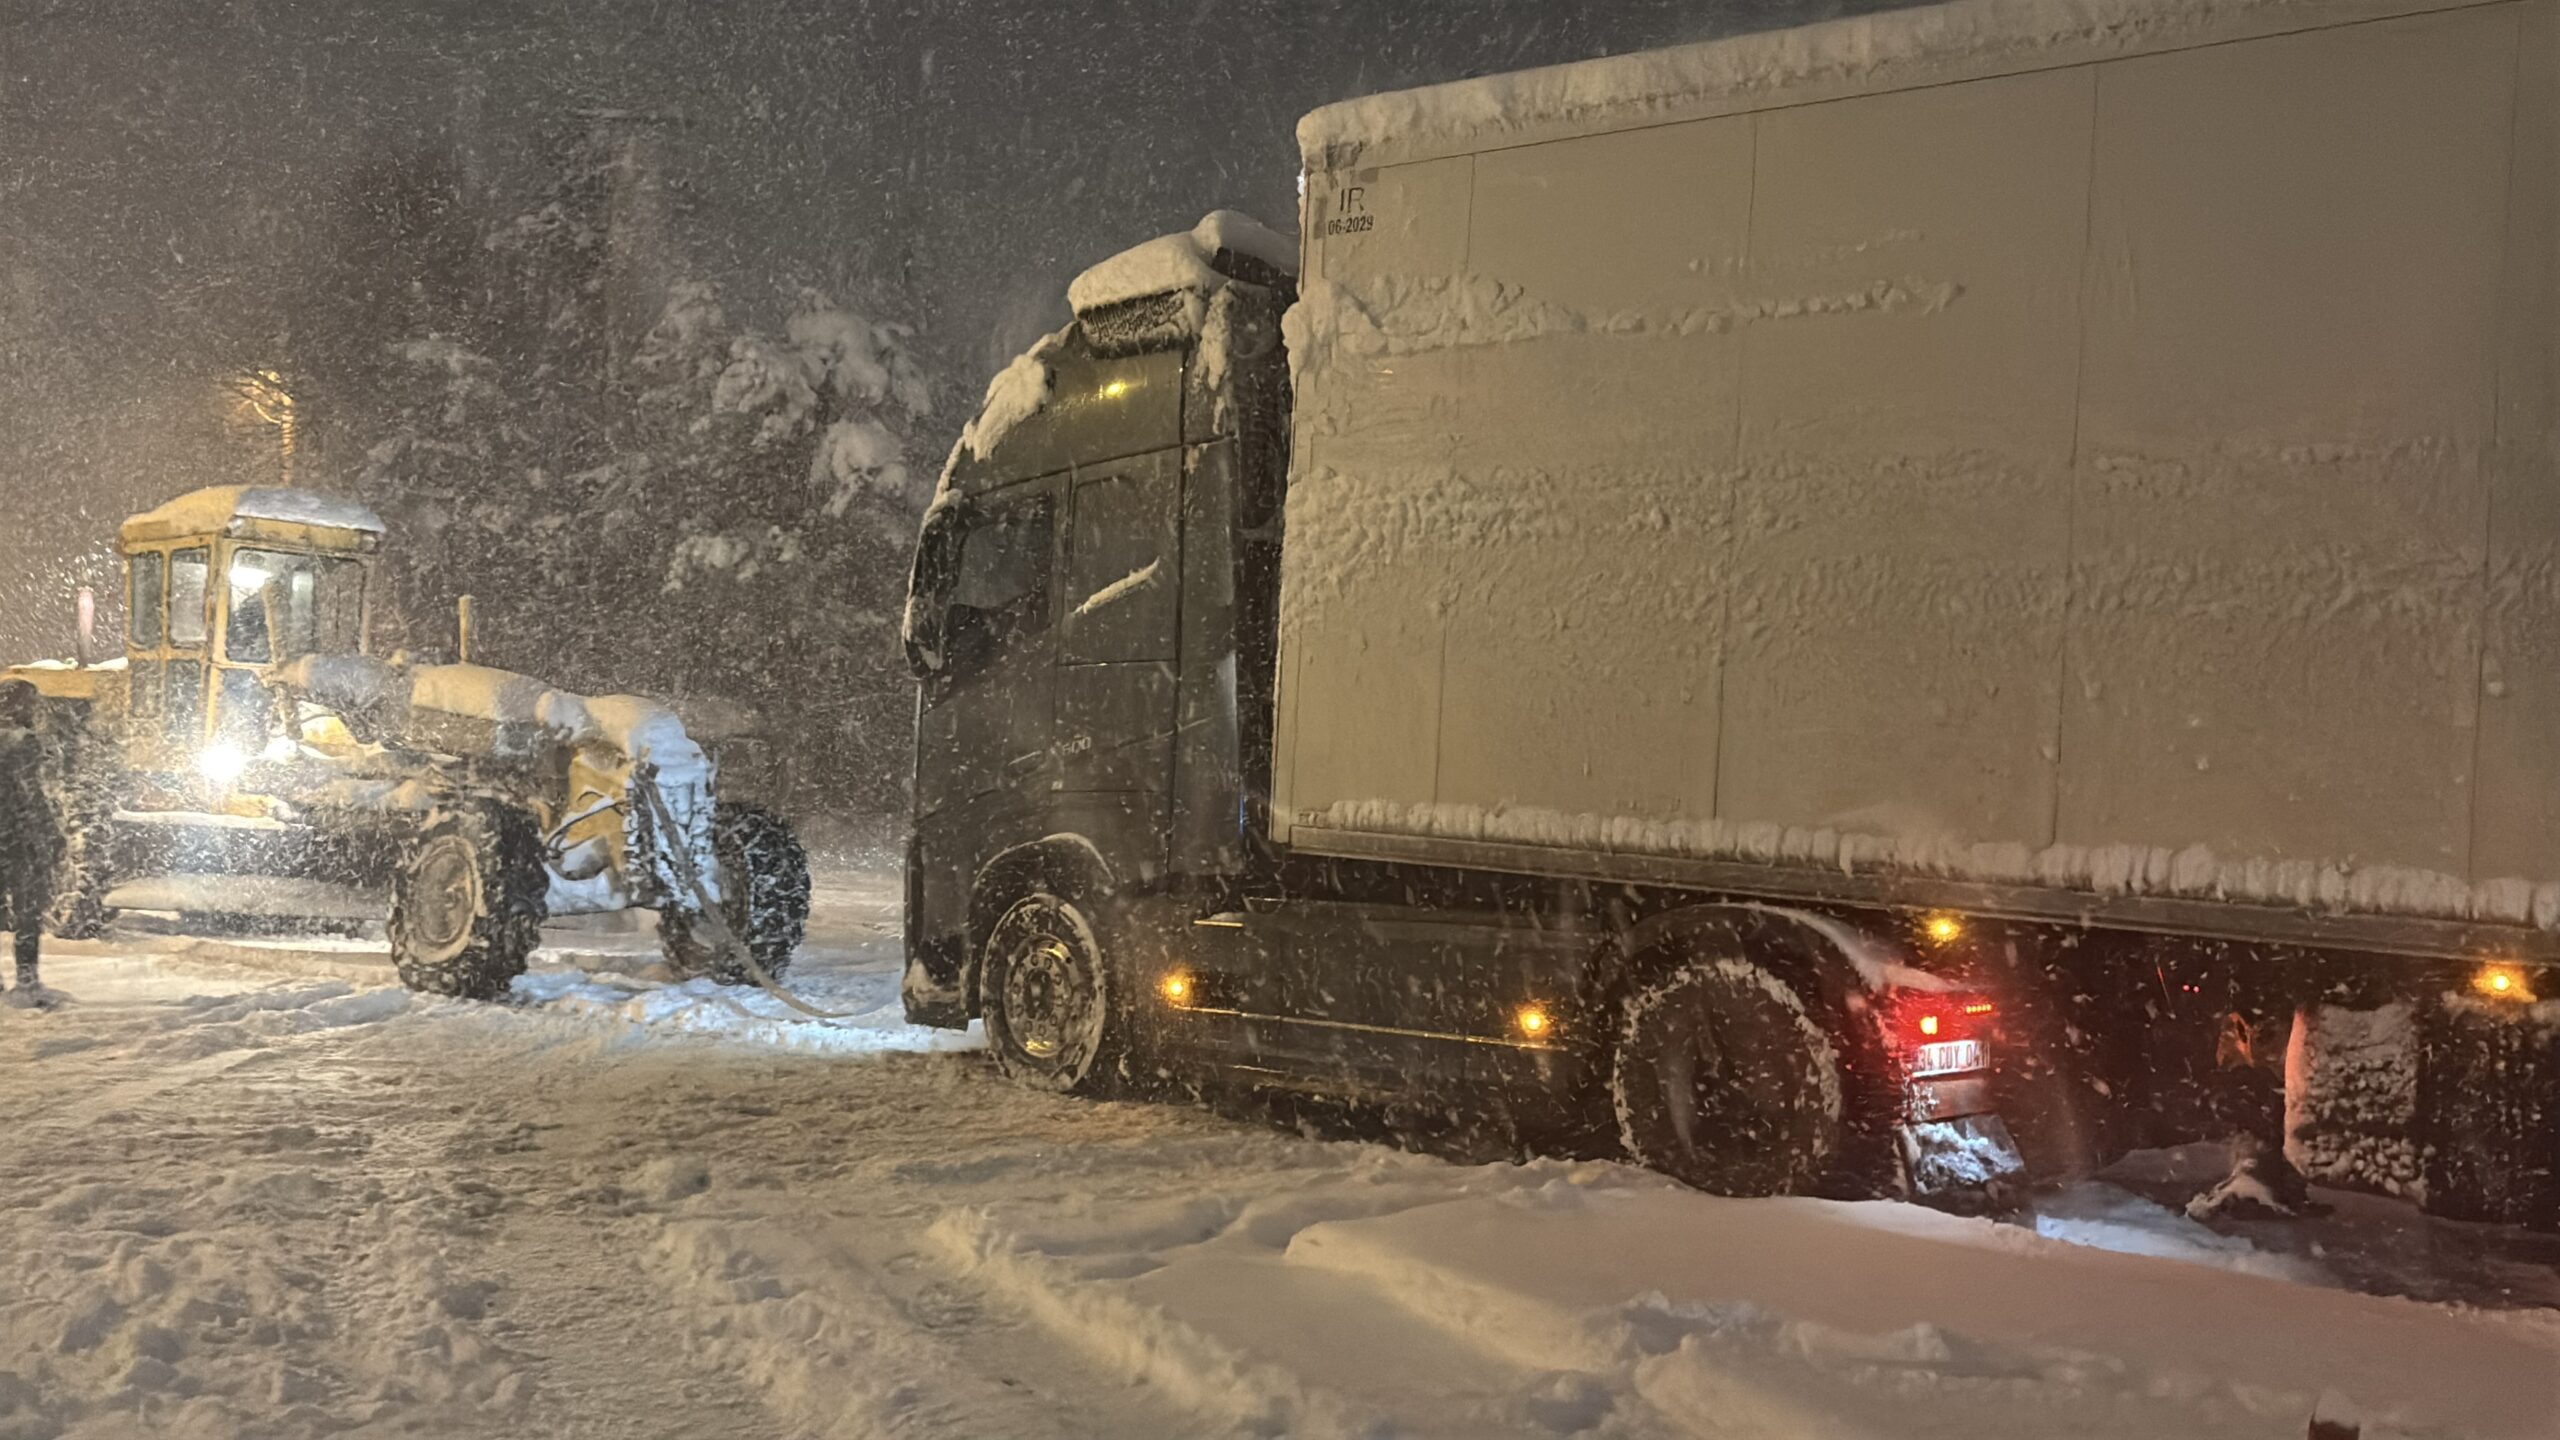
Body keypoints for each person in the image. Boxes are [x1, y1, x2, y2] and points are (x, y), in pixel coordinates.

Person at [0, 679, 63, 1006]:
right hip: (17, 843)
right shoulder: (21, 743)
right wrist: (50, 835)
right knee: (27, 912)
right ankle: (27, 981)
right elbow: (30, 797)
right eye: (31, 703)